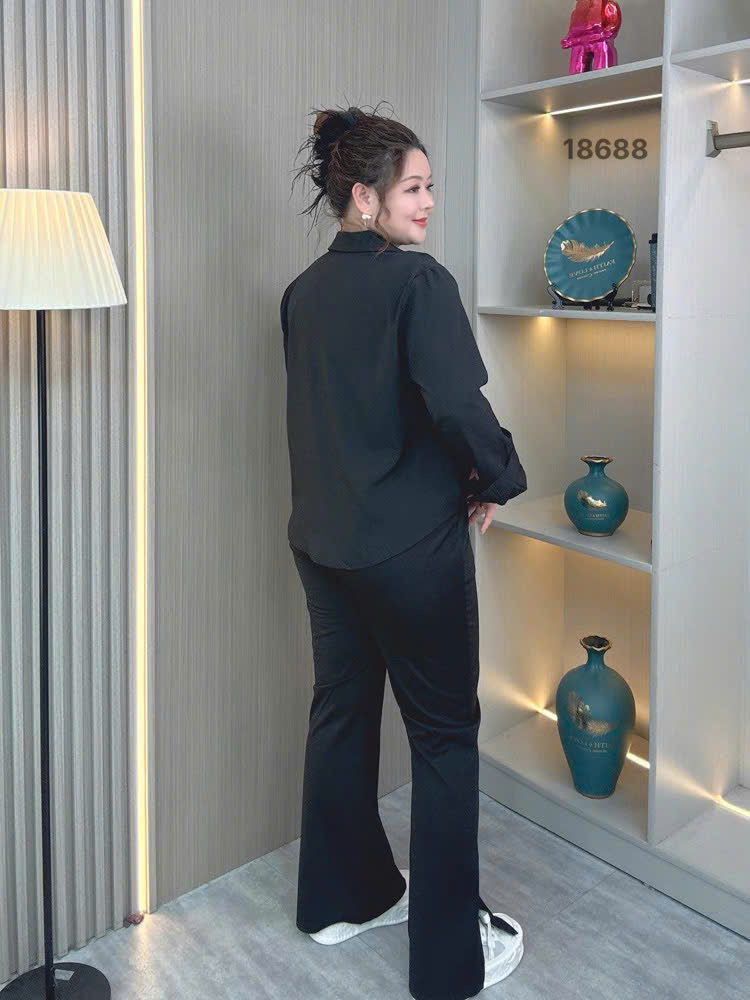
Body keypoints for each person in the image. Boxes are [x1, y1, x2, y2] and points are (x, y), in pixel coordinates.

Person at [281, 102, 527, 1000]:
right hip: (409, 552)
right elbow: (457, 406)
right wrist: (498, 476)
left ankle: (341, 901)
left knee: (341, 714)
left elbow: (342, 419)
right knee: (445, 739)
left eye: (430, 187)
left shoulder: (303, 292)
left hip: (323, 543)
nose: (427, 203)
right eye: (414, 187)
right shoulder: (419, 283)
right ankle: (451, 964)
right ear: (364, 195)